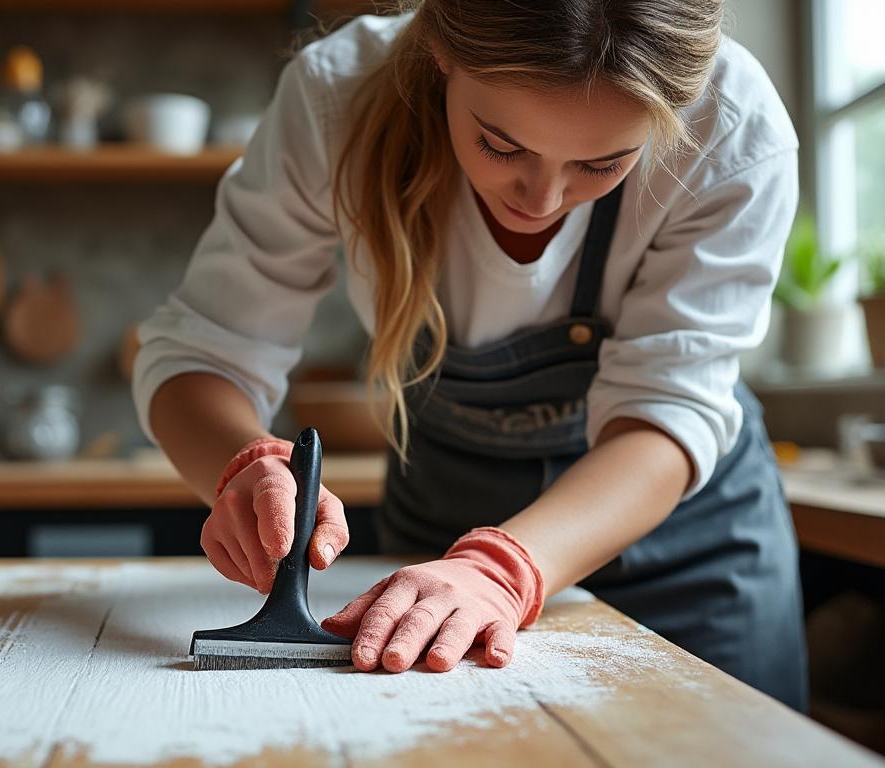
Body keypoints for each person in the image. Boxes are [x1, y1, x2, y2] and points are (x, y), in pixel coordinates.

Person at [132, 0, 805, 711]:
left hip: (690, 553)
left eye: (603, 163)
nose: (544, 199)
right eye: (502, 145)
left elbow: (669, 406)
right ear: (441, 53)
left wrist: (503, 568)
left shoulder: (732, 128)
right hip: (435, 554)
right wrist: (240, 463)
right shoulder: (337, 97)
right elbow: (204, 349)